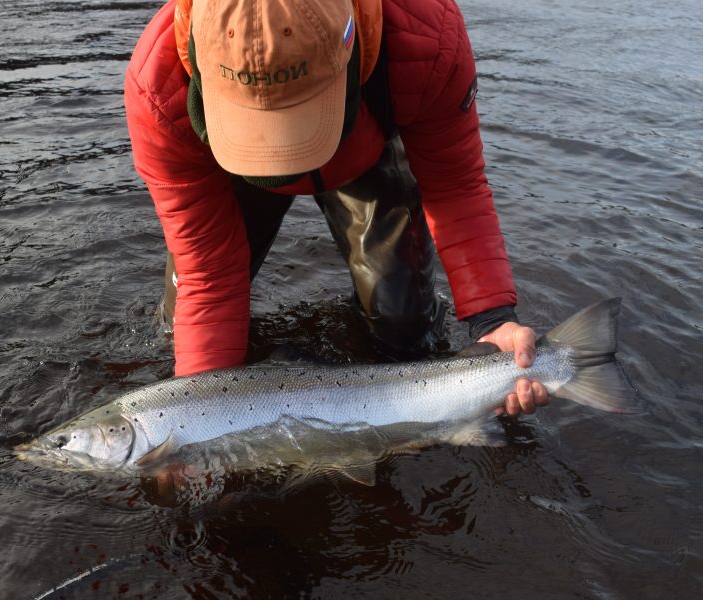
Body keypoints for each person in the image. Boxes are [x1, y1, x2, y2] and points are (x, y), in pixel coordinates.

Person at [124, 0, 548, 416]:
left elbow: (455, 188)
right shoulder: (159, 88)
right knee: (181, 334)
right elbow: (208, 273)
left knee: (405, 330)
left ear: (352, 50)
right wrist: (195, 419)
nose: (283, 156)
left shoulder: (426, 35)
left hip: (363, 149)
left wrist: (491, 320)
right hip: (229, 169)